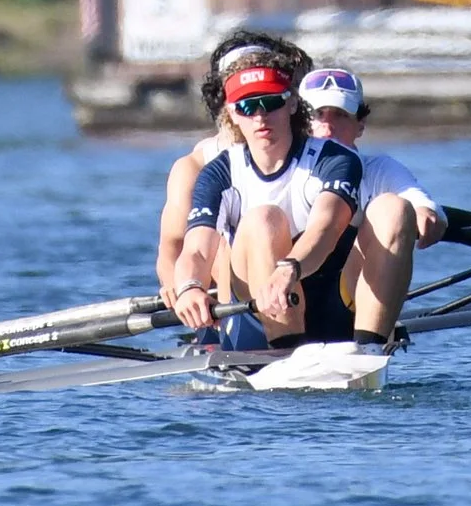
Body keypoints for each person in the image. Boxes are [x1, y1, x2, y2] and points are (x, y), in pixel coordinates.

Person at [171, 55, 398, 352]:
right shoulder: (219, 173)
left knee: (394, 209)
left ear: (292, 104)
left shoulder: (334, 159)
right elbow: (197, 250)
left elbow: (326, 230)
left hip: (331, 295)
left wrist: (289, 269)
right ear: (233, 114)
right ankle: (286, 349)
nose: (260, 117)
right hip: (254, 313)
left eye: (271, 103)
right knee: (264, 219)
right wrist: (189, 288)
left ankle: (370, 347)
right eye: (248, 107)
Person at [155, 31, 314, 350]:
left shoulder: (314, 153)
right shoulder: (196, 166)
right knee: (254, 227)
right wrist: (184, 288)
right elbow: (173, 249)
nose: (259, 110)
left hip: (306, 282)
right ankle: (253, 341)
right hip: (233, 303)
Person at [294, 67, 437, 346]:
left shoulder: (378, 170)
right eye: (317, 114)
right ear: (299, 121)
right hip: (276, 301)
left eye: (340, 115)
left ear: (360, 125)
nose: (327, 126)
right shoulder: (278, 168)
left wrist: (420, 216)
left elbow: (425, 211)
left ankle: (368, 347)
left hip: (346, 304)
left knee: (392, 208)